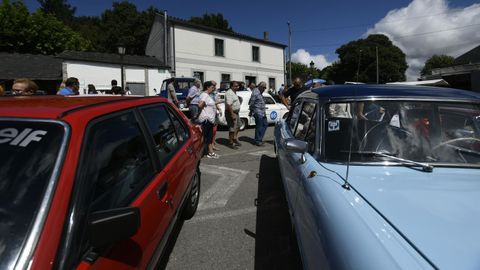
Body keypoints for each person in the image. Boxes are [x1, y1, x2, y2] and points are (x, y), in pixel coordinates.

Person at [198, 81, 219, 159]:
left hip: (210, 120)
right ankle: (199, 153)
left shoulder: (208, 95)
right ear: (207, 87)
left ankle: (210, 153)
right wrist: (202, 104)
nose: (213, 89)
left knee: (209, 138)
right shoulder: (204, 95)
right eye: (212, 87)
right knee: (204, 138)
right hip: (206, 119)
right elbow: (200, 105)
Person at [249, 81, 268, 146]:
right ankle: (258, 140)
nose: (264, 89)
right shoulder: (255, 93)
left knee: (265, 124)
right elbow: (251, 103)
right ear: (259, 86)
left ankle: (259, 138)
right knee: (259, 126)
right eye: (263, 87)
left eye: (265, 88)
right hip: (257, 112)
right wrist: (251, 111)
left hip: (262, 112)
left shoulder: (260, 92)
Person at [225, 81, 242, 149]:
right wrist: (232, 114)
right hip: (231, 112)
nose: (237, 87)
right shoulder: (229, 93)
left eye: (237, 86)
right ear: (231, 86)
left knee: (238, 126)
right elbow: (229, 105)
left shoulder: (234, 92)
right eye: (235, 86)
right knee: (232, 128)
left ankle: (234, 138)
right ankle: (231, 142)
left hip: (236, 112)